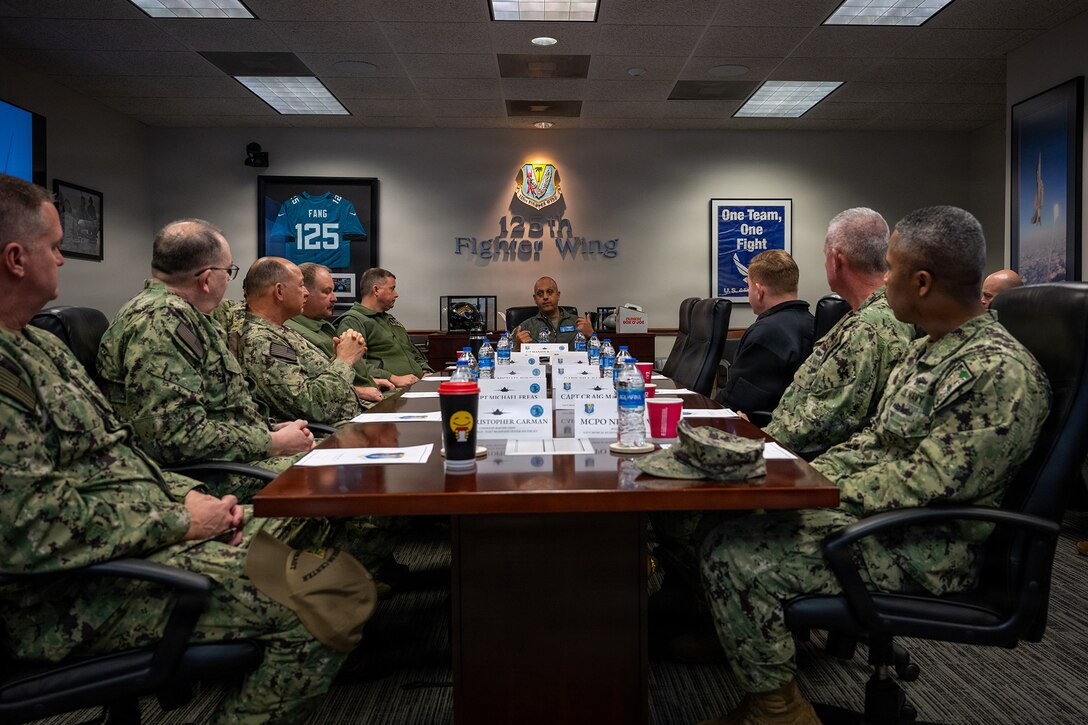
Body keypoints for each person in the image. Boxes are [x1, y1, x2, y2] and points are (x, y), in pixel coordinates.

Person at [0, 174, 360, 723]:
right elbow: (29, 527)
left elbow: (121, 453)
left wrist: (191, 499)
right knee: (332, 591)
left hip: (137, 533)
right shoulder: (151, 324)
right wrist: (178, 518)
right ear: (16, 259)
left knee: (333, 560)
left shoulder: (36, 342)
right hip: (63, 593)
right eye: (55, 247)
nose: (64, 260)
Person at [698, 206, 1051, 725]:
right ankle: (770, 701)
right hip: (882, 520)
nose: (884, 279)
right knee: (728, 525)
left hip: (929, 547)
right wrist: (799, 479)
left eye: (891, 267)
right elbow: (875, 443)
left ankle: (777, 713)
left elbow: (932, 483)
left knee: (735, 553)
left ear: (922, 282)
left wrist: (818, 487)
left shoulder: (998, 371)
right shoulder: (932, 349)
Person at [97, 219, 315, 499]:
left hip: (231, 460)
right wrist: (270, 442)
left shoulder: (186, 316)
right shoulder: (161, 322)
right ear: (207, 278)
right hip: (204, 479)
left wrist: (268, 428)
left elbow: (216, 407)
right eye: (229, 271)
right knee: (337, 477)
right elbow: (172, 436)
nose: (229, 279)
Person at [764, 208, 916, 459]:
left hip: (810, 464)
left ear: (836, 259)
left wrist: (756, 441)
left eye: (825, 256)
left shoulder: (868, 327)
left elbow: (823, 424)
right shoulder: (869, 314)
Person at [238, 257, 380, 423]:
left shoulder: (280, 330)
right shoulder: (261, 341)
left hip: (352, 419)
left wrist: (337, 358)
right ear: (279, 292)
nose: (305, 293)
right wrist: (344, 360)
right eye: (300, 286)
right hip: (329, 436)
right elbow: (309, 407)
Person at [286, 262, 415, 389]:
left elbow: (352, 375)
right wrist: (362, 389)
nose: (334, 298)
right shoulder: (289, 332)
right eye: (326, 292)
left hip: (366, 394)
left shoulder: (325, 327)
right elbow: (309, 391)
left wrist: (370, 383)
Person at [716, 249, 814, 414]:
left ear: (759, 291)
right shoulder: (814, 323)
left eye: (748, 286)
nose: (748, 293)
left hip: (761, 430)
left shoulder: (766, 333)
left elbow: (737, 400)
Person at [336, 267, 432, 380]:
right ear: (376, 290)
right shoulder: (353, 321)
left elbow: (412, 351)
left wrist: (425, 371)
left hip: (417, 383)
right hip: (387, 390)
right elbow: (354, 364)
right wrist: (392, 378)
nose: (396, 294)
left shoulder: (391, 320)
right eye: (392, 289)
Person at [512, 275, 593, 350]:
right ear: (535, 299)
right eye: (540, 294)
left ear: (558, 295)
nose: (545, 297)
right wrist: (517, 348)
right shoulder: (525, 327)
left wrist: (591, 335)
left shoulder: (578, 323)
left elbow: (598, 356)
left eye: (550, 292)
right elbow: (509, 360)